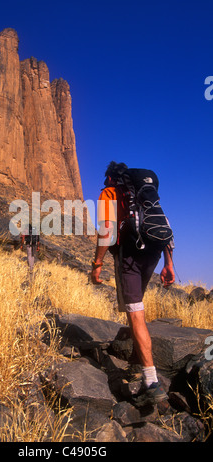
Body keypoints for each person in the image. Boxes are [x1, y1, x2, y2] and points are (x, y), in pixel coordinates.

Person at [91, 161, 175, 407]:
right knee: (134, 304)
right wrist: (168, 264)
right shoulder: (143, 193)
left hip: (129, 253)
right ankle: (138, 360)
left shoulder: (110, 192)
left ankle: (151, 381)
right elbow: (163, 225)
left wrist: (97, 263)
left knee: (135, 312)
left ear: (109, 177)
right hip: (154, 252)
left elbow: (107, 229)